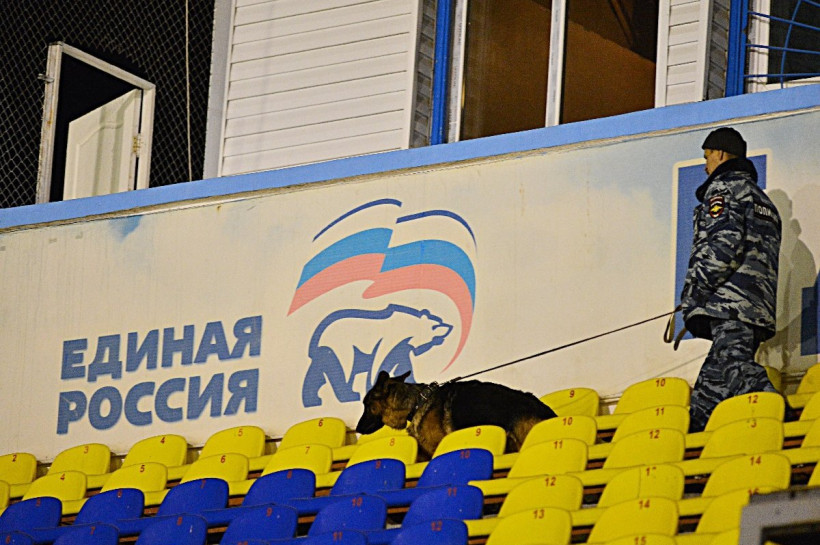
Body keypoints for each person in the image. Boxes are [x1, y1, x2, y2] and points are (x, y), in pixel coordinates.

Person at [680, 127, 782, 432]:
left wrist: (695, 292)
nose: (705, 165)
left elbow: (723, 246)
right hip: (755, 307)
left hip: (730, 306)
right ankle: (695, 444)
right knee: (707, 395)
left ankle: (781, 419)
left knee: (738, 369)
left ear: (721, 154)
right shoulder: (762, 200)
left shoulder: (723, 190)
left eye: (707, 156)